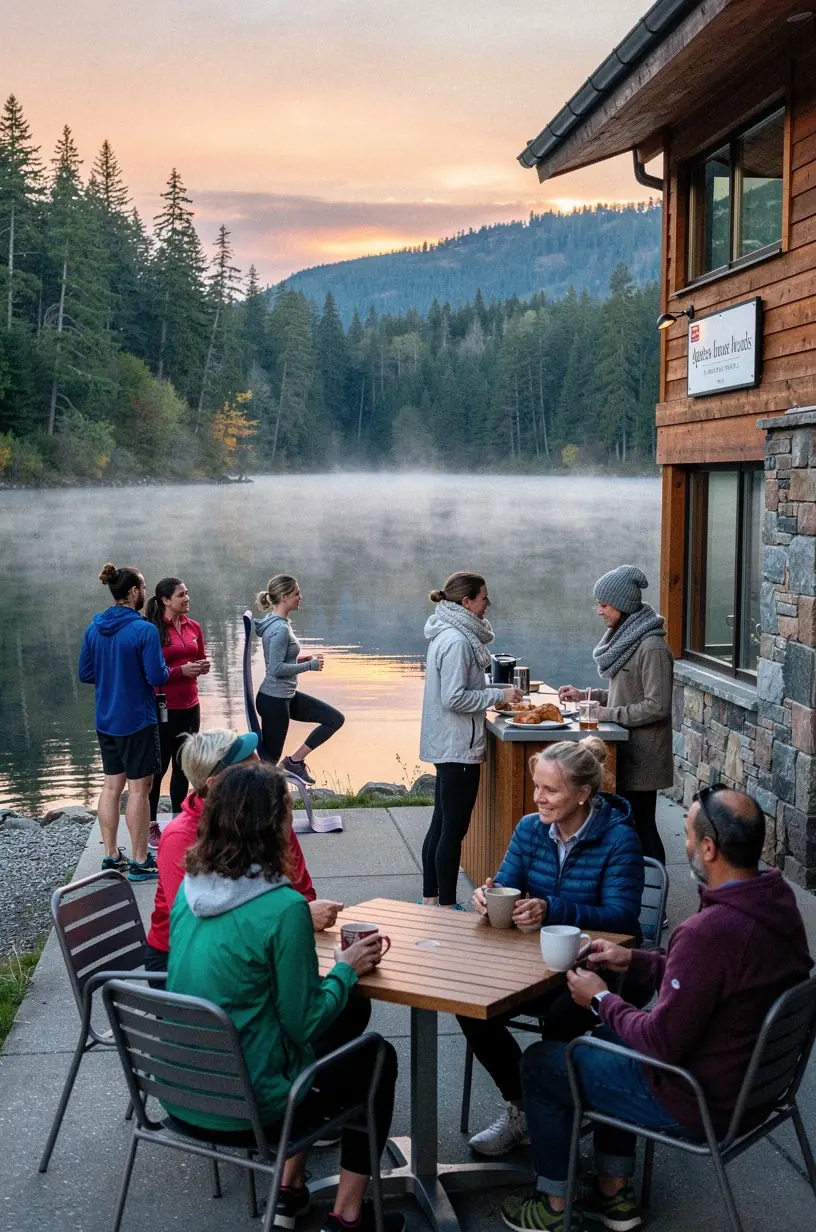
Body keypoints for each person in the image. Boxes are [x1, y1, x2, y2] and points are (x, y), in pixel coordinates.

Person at [504, 786, 813, 1232]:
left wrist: (600, 997)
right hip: (757, 1088)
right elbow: (715, 981)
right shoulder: (777, 904)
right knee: (605, 1040)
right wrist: (635, 960)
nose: (684, 844)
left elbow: (658, 1042)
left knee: (543, 1063)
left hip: (698, 1100)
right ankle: (613, 1193)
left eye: (688, 835)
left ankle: (553, 1205)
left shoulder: (708, 932)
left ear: (709, 849)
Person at [165, 761, 403, 1232]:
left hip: (180, 1090)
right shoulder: (283, 908)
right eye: (288, 814)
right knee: (377, 1056)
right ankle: (349, 1216)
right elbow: (305, 1023)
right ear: (270, 826)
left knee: (347, 1015)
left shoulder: (190, 890)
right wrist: (345, 968)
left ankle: (289, 1193)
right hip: (250, 1108)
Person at [462, 737, 644, 1157]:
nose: (538, 799)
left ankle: (557, 1114)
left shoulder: (619, 840)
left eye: (550, 790)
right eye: (536, 787)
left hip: (595, 968)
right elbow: (508, 881)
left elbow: (623, 918)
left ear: (583, 795)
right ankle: (524, 1109)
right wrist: (490, 898)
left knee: (561, 1022)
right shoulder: (530, 829)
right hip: (529, 963)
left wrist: (551, 908)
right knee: (470, 1002)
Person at [419, 571, 522, 910]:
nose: (487, 605)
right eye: (483, 599)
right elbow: (455, 698)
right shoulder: (459, 641)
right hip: (459, 746)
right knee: (452, 831)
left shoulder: (447, 632)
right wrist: (498, 694)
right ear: (466, 602)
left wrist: (492, 692)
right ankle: (447, 907)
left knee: (440, 825)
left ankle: (431, 899)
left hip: (448, 741)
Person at [558, 565, 673, 865]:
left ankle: (654, 904)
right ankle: (632, 899)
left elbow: (657, 706)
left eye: (604, 605)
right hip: (626, 752)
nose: (599, 612)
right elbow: (628, 693)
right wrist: (587, 697)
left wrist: (604, 713)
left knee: (644, 830)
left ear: (621, 606)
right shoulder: (628, 639)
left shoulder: (652, 647)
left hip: (645, 758)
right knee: (629, 830)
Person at [78, 563, 168, 882]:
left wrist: (112, 672)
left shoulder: (94, 628)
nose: (145, 593)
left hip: (106, 720)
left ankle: (111, 856)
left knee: (111, 786)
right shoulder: (144, 630)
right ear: (133, 592)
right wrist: (171, 672)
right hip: (137, 721)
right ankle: (142, 861)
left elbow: (86, 673)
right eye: (142, 587)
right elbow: (157, 676)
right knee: (140, 790)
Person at [254, 574, 345, 785]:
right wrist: (308, 666)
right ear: (284, 597)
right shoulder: (279, 629)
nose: (300, 597)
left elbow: (280, 658)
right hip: (274, 701)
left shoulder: (277, 622)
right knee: (269, 763)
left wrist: (299, 658)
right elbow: (275, 668)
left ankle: (295, 761)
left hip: (284, 696)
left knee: (334, 719)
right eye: (296, 593)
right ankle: (259, 807)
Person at [144, 576, 210, 849]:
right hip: (162, 707)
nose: (187, 598)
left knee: (185, 767)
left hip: (190, 706)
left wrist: (201, 667)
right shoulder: (152, 630)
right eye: (181, 594)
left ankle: (179, 823)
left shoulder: (194, 626)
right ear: (165, 600)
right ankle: (151, 827)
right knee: (158, 769)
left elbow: (198, 657)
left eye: (187, 593)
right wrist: (179, 671)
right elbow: (150, 672)